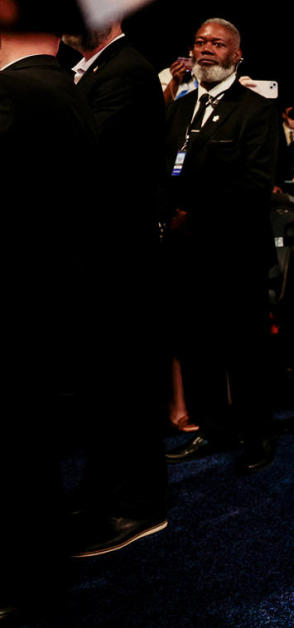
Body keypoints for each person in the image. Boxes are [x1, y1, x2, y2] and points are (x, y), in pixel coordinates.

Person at [0, 31, 100, 622]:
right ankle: (42, 573)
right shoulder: (62, 88)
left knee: (18, 444)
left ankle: (30, 580)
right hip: (50, 294)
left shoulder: (16, 92)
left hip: (21, 294)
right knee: (28, 441)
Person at [60, 21, 169, 558]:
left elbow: (84, 156)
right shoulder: (98, 70)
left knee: (126, 385)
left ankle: (139, 505)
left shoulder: (126, 71)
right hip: (99, 259)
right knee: (103, 388)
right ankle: (103, 491)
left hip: (120, 262)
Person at [162, 18, 282, 474]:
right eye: (200, 42)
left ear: (237, 56)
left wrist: (193, 212)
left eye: (218, 44)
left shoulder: (257, 109)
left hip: (236, 255)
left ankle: (258, 435)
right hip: (185, 255)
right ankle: (213, 429)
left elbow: (254, 183)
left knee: (245, 350)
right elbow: (163, 173)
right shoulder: (178, 109)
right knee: (196, 349)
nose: (206, 49)